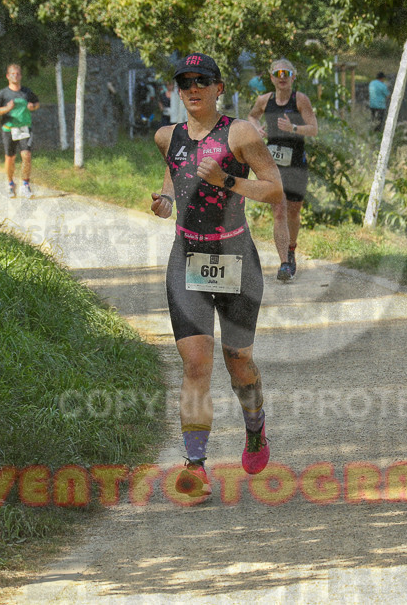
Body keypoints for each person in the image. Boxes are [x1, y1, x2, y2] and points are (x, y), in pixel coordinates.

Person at [150, 53, 284, 500]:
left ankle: (255, 428)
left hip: (235, 256)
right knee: (195, 363)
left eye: (202, 80)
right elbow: (174, 177)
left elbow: (274, 189)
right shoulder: (167, 137)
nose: (193, 88)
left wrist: (228, 180)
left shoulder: (240, 133)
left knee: (238, 360)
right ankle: (195, 466)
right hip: (187, 255)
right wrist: (165, 201)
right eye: (185, 81)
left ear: (218, 87)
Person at [247, 58, 318, 282]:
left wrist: (293, 127)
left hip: (296, 163)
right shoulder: (264, 100)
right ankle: (284, 263)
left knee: (293, 212)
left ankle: (291, 248)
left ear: (293, 77)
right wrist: (257, 129)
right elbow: (251, 116)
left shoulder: (300, 100)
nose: (282, 77)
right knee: (279, 211)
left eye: (286, 73)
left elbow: (313, 129)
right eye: (278, 74)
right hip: (273, 164)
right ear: (271, 78)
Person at [0, 63, 40, 198]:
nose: (15, 76)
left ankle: (25, 184)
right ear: (8, 76)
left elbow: (36, 103)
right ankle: (11, 184)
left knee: (26, 155)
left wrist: (33, 107)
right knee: (10, 158)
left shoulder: (26, 92)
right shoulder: (3, 94)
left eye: (18, 74)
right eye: (13, 74)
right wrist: (7, 108)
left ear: (21, 76)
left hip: (24, 128)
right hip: (9, 128)